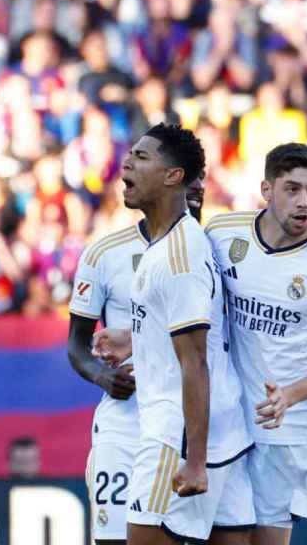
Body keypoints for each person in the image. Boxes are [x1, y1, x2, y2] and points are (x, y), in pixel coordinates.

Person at [96, 124, 254, 545]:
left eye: (143, 157)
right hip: (224, 431)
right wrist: (136, 336)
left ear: (174, 176)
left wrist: (195, 459)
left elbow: (194, 361)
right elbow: (197, 328)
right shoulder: (173, 243)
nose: (127, 163)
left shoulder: (179, 257)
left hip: (178, 434)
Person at [205, 143, 307, 545]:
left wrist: (290, 396)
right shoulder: (222, 235)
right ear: (266, 188)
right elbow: (188, 304)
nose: (304, 202)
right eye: (292, 189)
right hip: (255, 426)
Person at [67, 148, 206, 545]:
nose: (196, 189)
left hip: (189, 423)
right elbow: (76, 346)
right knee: (113, 538)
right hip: (125, 420)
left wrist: (137, 340)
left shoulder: (210, 251)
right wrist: (102, 375)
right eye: (189, 180)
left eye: (201, 181)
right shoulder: (104, 253)